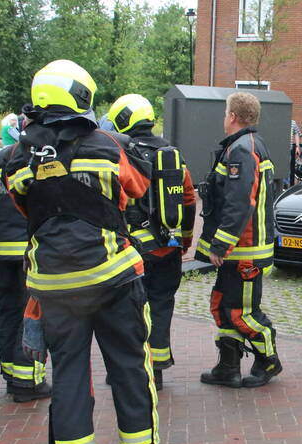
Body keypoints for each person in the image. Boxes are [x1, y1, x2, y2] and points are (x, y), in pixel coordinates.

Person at [5, 59, 169, 444]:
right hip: (113, 278)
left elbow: (26, 211)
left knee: (70, 370)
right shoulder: (105, 145)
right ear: (81, 96)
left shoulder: (18, 157)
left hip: (54, 288)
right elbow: (135, 188)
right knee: (130, 363)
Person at [107, 94, 196, 391]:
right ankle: (157, 368)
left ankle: (131, 369)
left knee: (129, 310)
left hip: (132, 250)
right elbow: (187, 198)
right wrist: (183, 240)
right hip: (168, 246)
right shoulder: (171, 153)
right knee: (161, 305)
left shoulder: (120, 152)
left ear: (122, 120)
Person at [196, 92, 281, 388]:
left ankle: (268, 359)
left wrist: (221, 245)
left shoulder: (243, 150)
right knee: (222, 305)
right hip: (240, 250)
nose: (224, 118)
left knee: (241, 312)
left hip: (245, 251)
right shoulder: (244, 146)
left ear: (232, 116)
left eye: (224, 112)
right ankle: (228, 366)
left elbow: (239, 202)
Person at [0, 134, 51, 403]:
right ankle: (27, 382)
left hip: (3, 252)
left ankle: (10, 374)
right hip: (30, 253)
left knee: (8, 313)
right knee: (31, 315)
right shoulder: (42, 156)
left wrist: (1, 223)